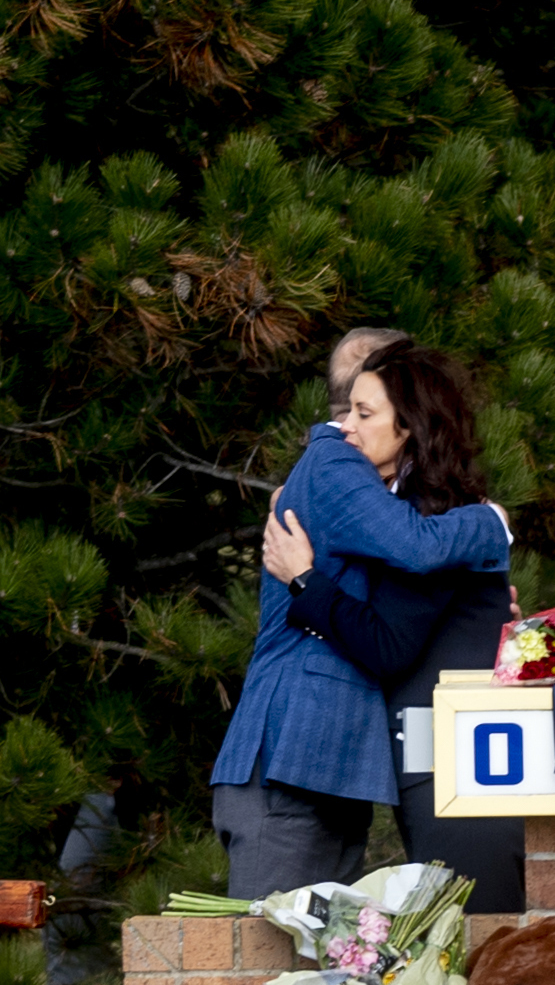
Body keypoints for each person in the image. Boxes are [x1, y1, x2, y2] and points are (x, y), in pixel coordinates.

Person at [209, 333, 512, 897]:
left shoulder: (378, 489)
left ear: (412, 423)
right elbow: (417, 546)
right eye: (347, 405)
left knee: (317, 974)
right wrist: (491, 524)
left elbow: (400, 601)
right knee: (266, 968)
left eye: (364, 410)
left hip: (327, 769)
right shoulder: (332, 460)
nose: (347, 423)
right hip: (287, 759)